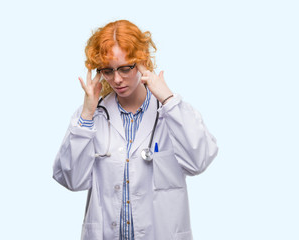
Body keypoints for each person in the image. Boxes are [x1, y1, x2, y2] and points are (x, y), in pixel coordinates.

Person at [52, 20, 218, 240]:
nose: (117, 79)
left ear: (141, 61)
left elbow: (199, 161)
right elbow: (72, 180)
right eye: (108, 71)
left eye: (125, 68)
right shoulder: (93, 116)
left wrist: (168, 99)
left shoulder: (171, 112)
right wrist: (87, 114)